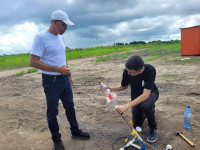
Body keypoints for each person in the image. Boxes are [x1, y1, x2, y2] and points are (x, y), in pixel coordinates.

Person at [30, 10, 90, 143]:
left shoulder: (60, 37)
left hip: (64, 79)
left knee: (70, 106)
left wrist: (69, 75)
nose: (66, 28)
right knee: (53, 111)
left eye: (67, 25)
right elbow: (33, 62)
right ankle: (56, 139)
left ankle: (75, 131)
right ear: (54, 22)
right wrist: (57, 69)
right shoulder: (41, 37)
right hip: (51, 81)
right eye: (64, 25)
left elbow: (62, 58)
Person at [109, 55, 159, 143]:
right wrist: (109, 88)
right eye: (127, 71)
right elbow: (123, 86)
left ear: (140, 71)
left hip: (151, 93)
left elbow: (145, 95)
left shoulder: (150, 70)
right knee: (136, 124)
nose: (128, 73)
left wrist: (127, 106)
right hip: (136, 96)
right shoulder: (127, 71)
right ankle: (149, 111)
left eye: (130, 72)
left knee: (145, 105)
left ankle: (153, 127)